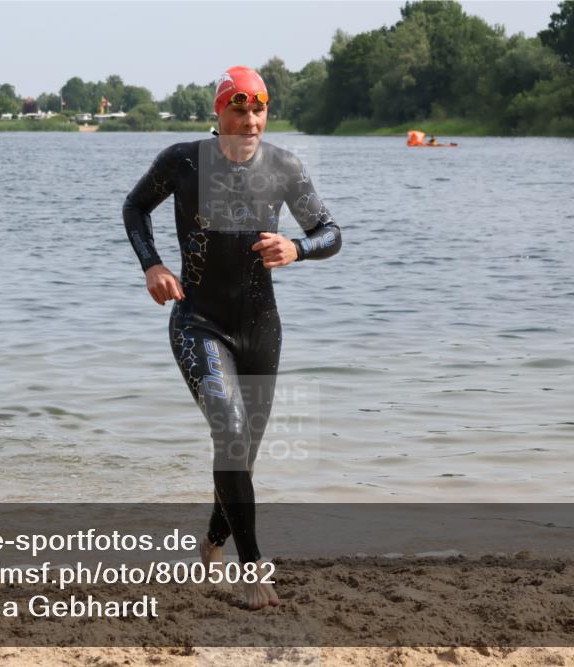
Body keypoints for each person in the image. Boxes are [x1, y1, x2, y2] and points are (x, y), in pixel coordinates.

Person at [123, 66, 341, 609]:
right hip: (198, 321)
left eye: (258, 109)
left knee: (241, 452)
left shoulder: (285, 167)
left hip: (261, 326)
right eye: (238, 109)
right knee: (232, 429)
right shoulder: (184, 161)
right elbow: (134, 207)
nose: (249, 120)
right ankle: (254, 571)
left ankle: (212, 545)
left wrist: (298, 249)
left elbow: (331, 233)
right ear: (218, 113)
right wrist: (152, 265)